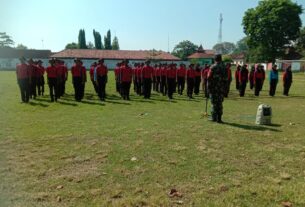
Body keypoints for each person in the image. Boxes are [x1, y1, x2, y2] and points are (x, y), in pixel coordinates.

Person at [207, 54, 227, 123]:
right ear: (221, 59)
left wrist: (208, 88)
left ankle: (213, 117)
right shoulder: (224, 67)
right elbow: (226, 79)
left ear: (215, 59)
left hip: (214, 88)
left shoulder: (213, 67)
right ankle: (219, 118)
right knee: (220, 103)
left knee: (214, 103)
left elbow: (209, 78)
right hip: (221, 88)